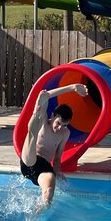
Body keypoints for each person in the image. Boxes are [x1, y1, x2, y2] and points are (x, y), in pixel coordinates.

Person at [19, 82, 88, 210]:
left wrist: (57, 171)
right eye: (58, 123)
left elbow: (57, 157)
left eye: (65, 125)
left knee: (49, 192)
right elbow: (45, 96)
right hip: (30, 159)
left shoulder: (65, 133)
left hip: (43, 168)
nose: (60, 127)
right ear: (53, 116)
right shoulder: (44, 122)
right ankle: (35, 114)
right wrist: (72, 87)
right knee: (34, 128)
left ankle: (34, 218)